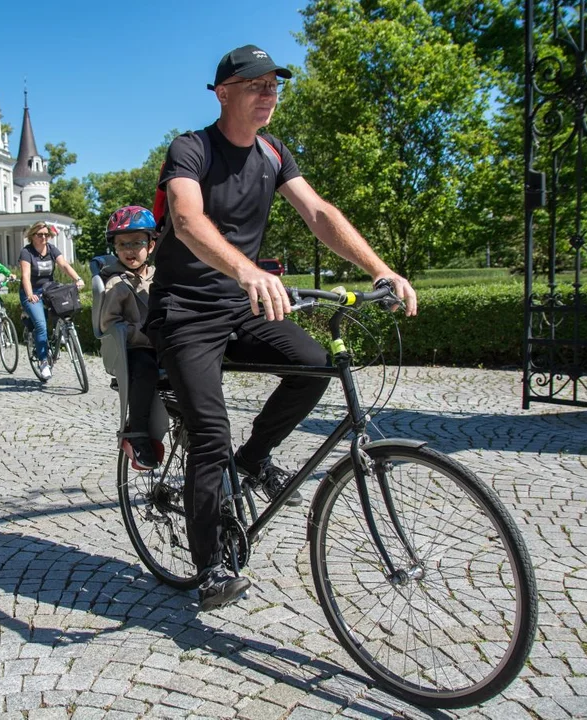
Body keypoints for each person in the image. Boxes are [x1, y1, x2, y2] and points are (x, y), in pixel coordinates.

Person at [148, 44, 418, 612]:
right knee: (209, 433)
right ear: (223, 93)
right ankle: (213, 565)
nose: (269, 93)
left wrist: (381, 269)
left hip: (240, 305)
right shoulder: (191, 150)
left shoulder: (273, 153)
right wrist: (246, 268)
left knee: (316, 365)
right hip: (187, 310)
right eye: (255, 85)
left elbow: (319, 213)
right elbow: (186, 219)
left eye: (274, 84)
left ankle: (252, 462)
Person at [99, 207, 159, 470]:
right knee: (145, 368)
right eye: (123, 244)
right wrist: (141, 332)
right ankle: (137, 433)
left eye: (137, 242)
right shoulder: (116, 283)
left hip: (162, 344)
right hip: (133, 349)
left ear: (151, 244)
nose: (130, 250)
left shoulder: (159, 276)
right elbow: (109, 325)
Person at [19, 221, 84, 381]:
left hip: (48, 289)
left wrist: (78, 278)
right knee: (41, 325)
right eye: (40, 234)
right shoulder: (27, 252)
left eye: (46, 235)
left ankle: (59, 332)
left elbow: (64, 265)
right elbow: (25, 276)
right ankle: (43, 362)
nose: (43, 237)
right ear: (32, 236)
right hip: (32, 291)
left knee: (65, 304)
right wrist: (29, 294)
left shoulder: (52, 249)